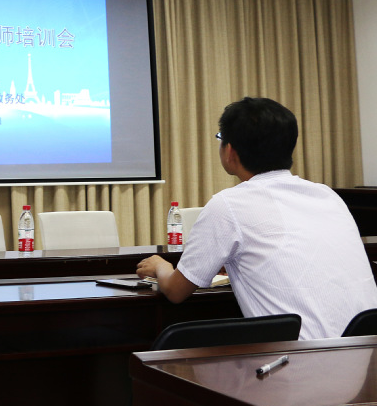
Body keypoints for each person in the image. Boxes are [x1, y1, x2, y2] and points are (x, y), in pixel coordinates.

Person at [137, 97, 377, 340]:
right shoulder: (327, 196)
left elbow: (176, 291)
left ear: (230, 151)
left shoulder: (227, 205)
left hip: (303, 358)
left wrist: (161, 266)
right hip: (367, 352)